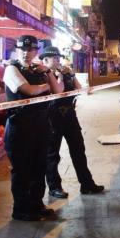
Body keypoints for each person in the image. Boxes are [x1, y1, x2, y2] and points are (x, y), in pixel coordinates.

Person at [4, 35, 62, 221]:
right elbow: (28, 90)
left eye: (30, 50)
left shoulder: (38, 70)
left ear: (36, 52)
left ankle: (36, 204)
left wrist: (48, 72)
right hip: (20, 126)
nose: (26, 53)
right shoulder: (11, 69)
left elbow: (58, 91)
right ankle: (20, 209)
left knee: (39, 165)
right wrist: (45, 85)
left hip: (40, 124)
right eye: (22, 49)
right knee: (22, 169)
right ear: (16, 50)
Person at [40, 46, 104, 199]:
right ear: (45, 60)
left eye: (58, 58)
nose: (57, 61)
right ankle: (54, 187)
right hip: (52, 117)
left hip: (69, 114)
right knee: (52, 154)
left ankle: (87, 183)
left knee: (78, 149)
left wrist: (72, 75)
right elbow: (58, 91)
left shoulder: (64, 72)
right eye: (54, 58)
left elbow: (81, 89)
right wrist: (59, 76)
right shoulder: (43, 75)